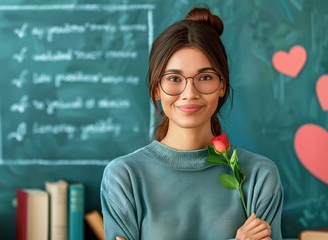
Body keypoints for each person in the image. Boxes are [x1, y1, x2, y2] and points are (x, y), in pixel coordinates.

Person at [100, 7, 283, 240]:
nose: (189, 93)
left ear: (222, 85)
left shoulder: (259, 176)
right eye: (174, 79)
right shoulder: (124, 177)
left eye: (205, 77)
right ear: (156, 88)